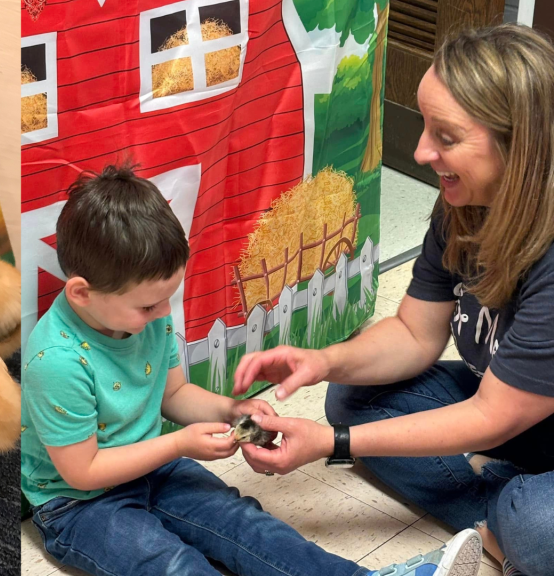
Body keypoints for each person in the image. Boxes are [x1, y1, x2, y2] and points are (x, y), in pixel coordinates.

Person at [21, 164, 483, 576]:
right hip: (80, 504)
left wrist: (230, 410)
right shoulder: (57, 362)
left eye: (167, 298)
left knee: (245, 525)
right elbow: (83, 471)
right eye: (148, 304)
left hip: (155, 466)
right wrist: (179, 443)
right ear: (82, 293)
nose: (163, 313)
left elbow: (174, 394)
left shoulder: (140, 314)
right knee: (172, 564)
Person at [233, 24, 554, 576]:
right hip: (517, 414)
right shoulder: (463, 206)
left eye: (446, 137)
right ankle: (500, 515)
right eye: (426, 127)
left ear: (518, 144)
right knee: (351, 396)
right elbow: (414, 333)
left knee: (539, 527)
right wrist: (324, 360)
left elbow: (492, 415)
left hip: (508, 414)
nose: (422, 150)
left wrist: (332, 445)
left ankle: (509, 517)